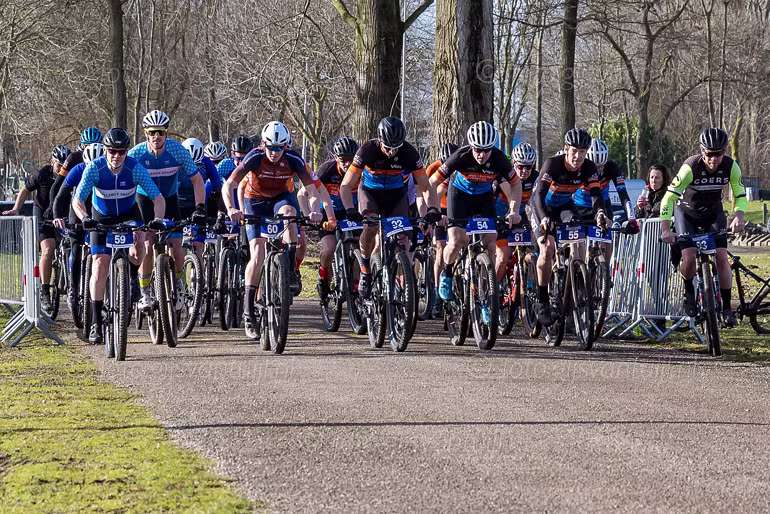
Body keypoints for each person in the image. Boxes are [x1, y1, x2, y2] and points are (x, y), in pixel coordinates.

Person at [221, 121, 334, 339]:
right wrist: (232, 208)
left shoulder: (293, 159)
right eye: (271, 148)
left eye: (279, 148)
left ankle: (289, 269)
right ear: (263, 145)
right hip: (254, 200)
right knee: (257, 253)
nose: (274, 153)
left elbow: (311, 190)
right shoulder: (254, 156)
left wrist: (314, 210)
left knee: (290, 212)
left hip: (280, 199)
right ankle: (248, 310)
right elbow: (230, 185)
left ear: (286, 147)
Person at [72, 128, 165, 343]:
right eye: (112, 151)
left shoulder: (134, 168)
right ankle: (95, 322)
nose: (116, 156)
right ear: (105, 150)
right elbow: (78, 199)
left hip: (128, 214)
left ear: (126, 152)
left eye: (121, 152)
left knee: (139, 244)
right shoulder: (95, 168)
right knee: (100, 263)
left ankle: (132, 277)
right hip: (101, 216)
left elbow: (157, 196)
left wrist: (158, 217)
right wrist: (85, 217)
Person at [341, 116, 442, 300]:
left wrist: (433, 208)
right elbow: (346, 186)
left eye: (396, 147)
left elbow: (426, 186)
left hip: (396, 195)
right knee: (370, 228)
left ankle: (400, 278)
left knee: (403, 238)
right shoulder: (367, 150)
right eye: (387, 147)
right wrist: (350, 209)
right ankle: (365, 269)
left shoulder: (409, 153)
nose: (391, 152)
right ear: (380, 140)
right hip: (370, 193)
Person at [428, 120, 521, 319]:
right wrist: (435, 209)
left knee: (490, 240)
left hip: (483, 199)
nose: (482, 155)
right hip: (459, 196)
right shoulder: (460, 156)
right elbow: (433, 182)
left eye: (486, 150)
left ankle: (485, 296)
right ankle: (447, 272)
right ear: (471, 146)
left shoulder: (499, 159)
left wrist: (513, 210)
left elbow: (516, 185)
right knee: (457, 240)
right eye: (478, 150)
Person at [660, 127, 746, 326]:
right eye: (710, 154)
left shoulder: (731, 166)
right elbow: (669, 198)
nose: (714, 159)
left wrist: (739, 217)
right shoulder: (690, 167)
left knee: (722, 256)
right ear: (702, 150)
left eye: (719, 153)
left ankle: (726, 308)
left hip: (713, 213)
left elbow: (740, 195)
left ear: (725, 151)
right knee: (689, 257)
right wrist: (665, 228)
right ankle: (688, 289)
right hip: (687, 213)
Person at [129, 110, 206, 311]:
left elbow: (197, 180)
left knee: (177, 248)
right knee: (147, 243)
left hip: (170, 199)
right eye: (153, 132)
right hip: (144, 199)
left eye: (161, 132)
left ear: (166, 133)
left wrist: (199, 207)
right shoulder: (136, 154)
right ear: (146, 132)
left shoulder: (177, 150)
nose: (157, 137)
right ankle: (145, 291)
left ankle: (178, 283)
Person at [531, 128, 609, 325]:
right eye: (574, 151)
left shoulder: (589, 167)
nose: (578, 156)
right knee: (547, 248)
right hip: (542, 207)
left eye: (582, 152)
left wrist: (600, 212)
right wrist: (543, 218)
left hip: (565, 205)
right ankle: (542, 300)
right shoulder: (553, 164)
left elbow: (595, 194)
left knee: (578, 236)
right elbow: (539, 194)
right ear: (566, 149)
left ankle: (575, 280)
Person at [3, 145, 71, 312]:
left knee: (73, 246)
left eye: (65, 166)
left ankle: (75, 287)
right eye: (58, 166)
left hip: (63, 215)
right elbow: (25, 189)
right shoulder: (42, 174)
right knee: (48, 249)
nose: (62, 170)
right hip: (44, 215)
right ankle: (45, 290)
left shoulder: (72, 175)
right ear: (52, 163)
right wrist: (16, 209)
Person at [52, 143, 106, 307]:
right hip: (78, 210)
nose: (93, 169)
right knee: (75, 248)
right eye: (89, 165)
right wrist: (56, 216)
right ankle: (73, 289)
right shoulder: (77, 170)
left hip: (99, 211)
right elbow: (60, 195)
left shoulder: (108, 169)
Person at [574, 137, 638, 261]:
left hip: (602, 204)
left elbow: (623, 193)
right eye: (594, 166)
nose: (598, 171)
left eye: (601, 167)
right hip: (580, 206)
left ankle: (605, 273)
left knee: (607, 236)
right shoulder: (579, 167)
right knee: (578, 242)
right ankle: (580, 274)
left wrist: (631, 218)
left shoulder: (611, 167)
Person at [315, 136, 359, 298]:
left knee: (359, 247)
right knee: (329, 248)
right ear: (335, 158)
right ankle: (324, 275)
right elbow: (305, 192)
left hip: (351, 212)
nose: (348, 163)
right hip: (328, 212)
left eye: (351, 159)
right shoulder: (326, 170)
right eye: (343, 160)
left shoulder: (361, 171)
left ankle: (355, 285)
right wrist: (309, 213)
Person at [493, 142, 538, 282]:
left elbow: (536, 201)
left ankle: (529, 287)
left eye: (528, 167)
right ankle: (495, 290)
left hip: (519, 215)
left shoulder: (536, 177)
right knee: (503, 257)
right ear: (513, 164)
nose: (524, 171)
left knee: (530, 254)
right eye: (520, 166)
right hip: (499, 215)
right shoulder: (504, 175)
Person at [425, 142, 457, 317]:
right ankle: (438, 293)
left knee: (458, 247)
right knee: (440, 249)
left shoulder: (460, 168)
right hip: (439, 208)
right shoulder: (433, 169)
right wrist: (434, 215)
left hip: (456, 208)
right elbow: (427, 193)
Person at [180, 137, 223, 260]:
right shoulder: (176, 162)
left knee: (198, 246)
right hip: (178, 204)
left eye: (197, 164)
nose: (194, 168)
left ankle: (199, 276)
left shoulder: (207, 163)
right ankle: (176, 276)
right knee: (176, 246)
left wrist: (219, 212)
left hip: (198, 204)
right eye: (189, 165)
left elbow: (218, 188)